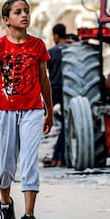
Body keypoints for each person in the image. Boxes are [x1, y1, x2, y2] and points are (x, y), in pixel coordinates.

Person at [0, 0, 53, 219]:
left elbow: (44, 80)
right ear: (7, 20)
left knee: (29, 163)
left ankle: (29, 217)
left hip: (32, 110)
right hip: (5, 111)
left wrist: (48, 110)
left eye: (27, 11)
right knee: (5, 167)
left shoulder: (38, 46)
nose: (24, 15)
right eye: (18, 12)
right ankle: (6, 204)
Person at [45, 23, 67, 168]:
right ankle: (59, 158)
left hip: (52, 91)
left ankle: (56, 158)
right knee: (65, 126)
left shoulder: (50, 53)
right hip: (66, 91)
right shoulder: (71, 51)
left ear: (55, 36)